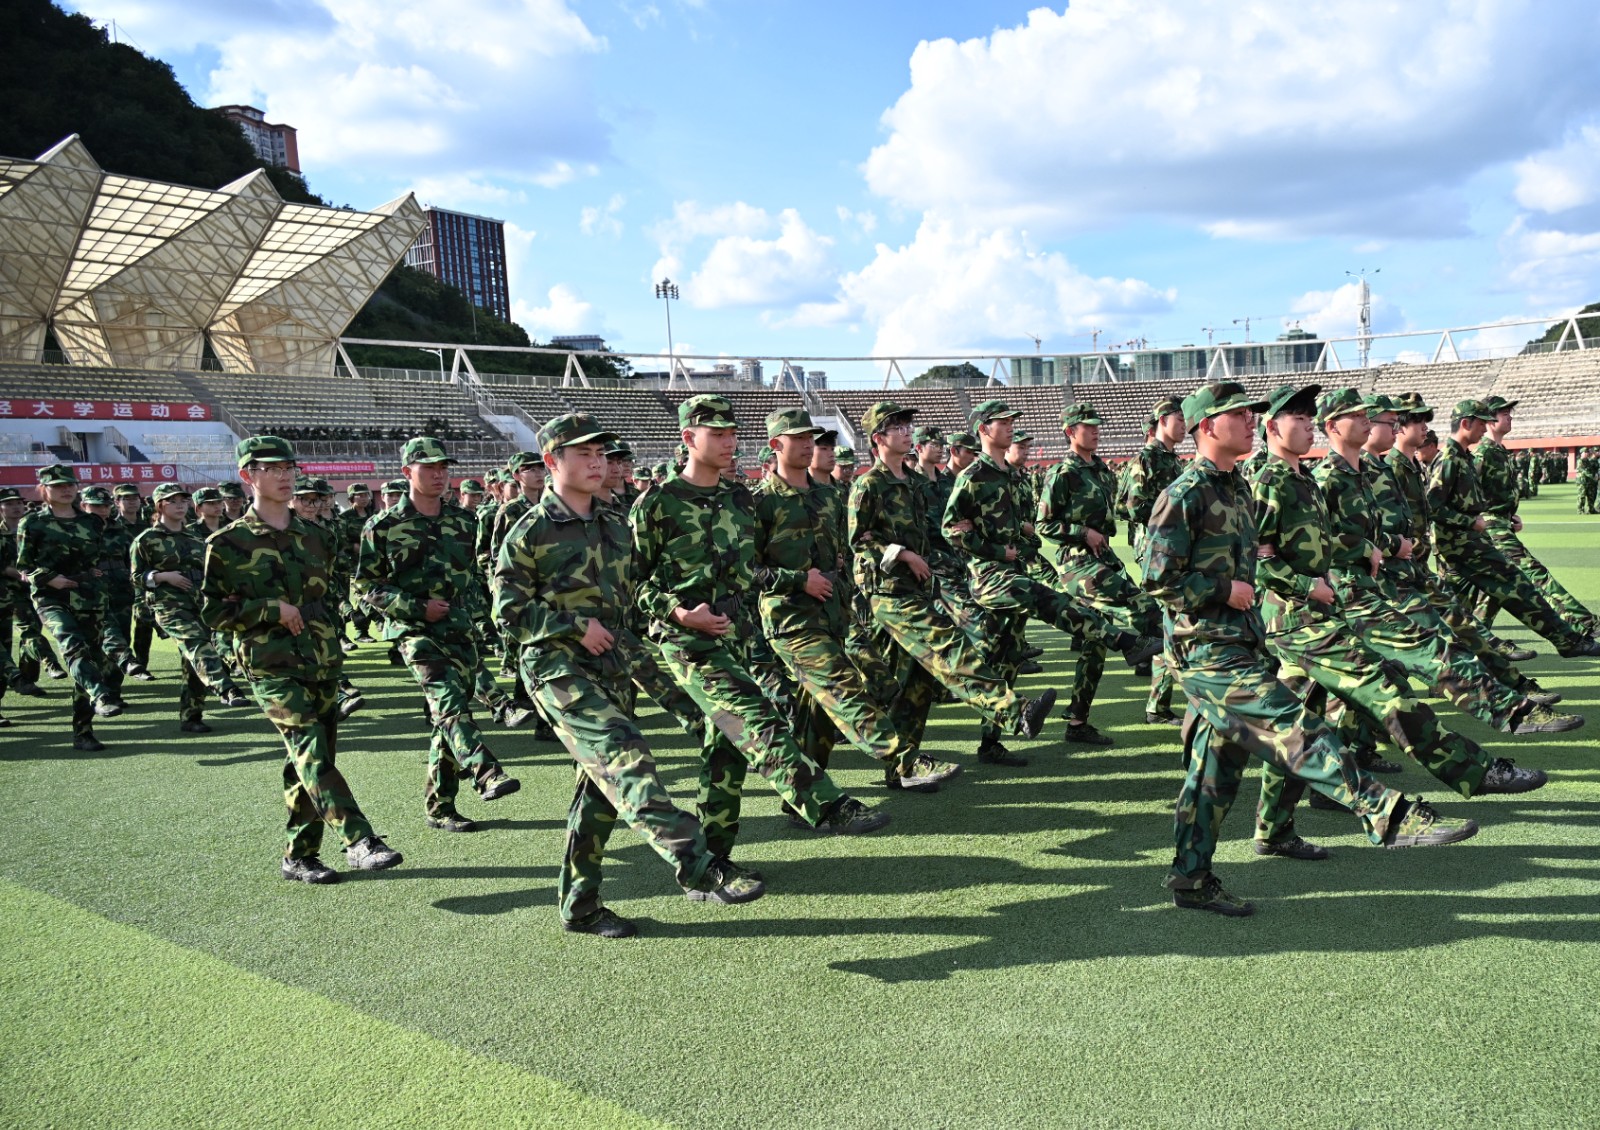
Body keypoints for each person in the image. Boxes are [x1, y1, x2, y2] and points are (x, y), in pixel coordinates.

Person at [1140, 382, 1478, 917]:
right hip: (1205, 654)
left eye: (1254, 413)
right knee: (1299, 729)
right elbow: (1156, 577)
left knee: (1212, 775)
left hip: (1242, 644)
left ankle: (1192, 879)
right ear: (1207, 427)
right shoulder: (1185, 493)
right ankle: (1388, 815)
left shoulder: (1238, 487)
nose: (1252, 421)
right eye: (1239, 415)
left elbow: (1258, 557)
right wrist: (1222, 591)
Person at [494, 413, 766, 937]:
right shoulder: (529, 530)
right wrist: (574, 627)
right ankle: (699, 864)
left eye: (601, 454)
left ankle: (580, 906)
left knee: (600, 795)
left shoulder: (616, 522)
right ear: (552, 462)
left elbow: (634, 602)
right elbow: (506, 612)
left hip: (614, 668)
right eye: (583, 455)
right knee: (626, 757)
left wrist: (673, 650)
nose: (597, 463)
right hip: (558, 670)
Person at [632, 394, 892, 873]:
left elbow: (752, 569)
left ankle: (711, 863)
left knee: (725, 751)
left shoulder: (737, 499)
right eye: (718, 434)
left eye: (733, 433)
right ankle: (826, 806)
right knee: (758, 719)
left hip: (738, 632)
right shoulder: (658, 503)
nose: (730, 442)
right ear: (689, 438)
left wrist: (788, 587)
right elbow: (633, 581)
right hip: (689, 641)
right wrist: (678, 613)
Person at [202, 435, 401, 883]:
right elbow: (214, 612)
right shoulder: (227, 543)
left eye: (289, 466)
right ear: (247, 475)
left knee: (307, 761)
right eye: (271, 468)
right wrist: (271, 609)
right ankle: (359, 839)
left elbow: (326, 595)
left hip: (321, 658)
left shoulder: (316, 534)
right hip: (269, 662)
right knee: (311, 750)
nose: (285, 474)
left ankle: (299, 856)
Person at [755, 406, 960, 793]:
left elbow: (845, 556)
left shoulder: (830, 497)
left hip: (835, 616)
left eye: (808, 437)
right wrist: (799, 580)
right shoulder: (762, 502)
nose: (806, 445)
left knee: (816, 715)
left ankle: (802, 794)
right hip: (792, 619)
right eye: (797, 439)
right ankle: (906, 760)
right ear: (775, 445)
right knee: (845, 687)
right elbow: (745, 570)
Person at [850, 400, 1059, 768]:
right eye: (895, 427)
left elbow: (935, 530)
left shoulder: (915, 483)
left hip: (921, 586)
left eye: (905, 425)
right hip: (889, 592)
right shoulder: (868, 486)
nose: (904, 432)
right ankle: (1015, 712)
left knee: (912, 685)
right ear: (878, 438)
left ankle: (904, 767)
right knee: (948, 646)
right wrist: (902, 554)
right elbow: (859, 540)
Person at [943, 399, 1160, 753]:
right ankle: (1126, 642)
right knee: (1046, 598)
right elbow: (951, 528)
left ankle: (990, 744)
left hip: (1013, 568)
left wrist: (1018, 541)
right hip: (989, 575)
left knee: (1006, 656)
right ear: (983, 430)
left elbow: (1019, 525)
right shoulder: (973, 476)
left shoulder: (1012, 476)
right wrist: (1000, 551)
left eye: (1013, 420)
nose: (1011, 426)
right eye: (1003, 422)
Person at [1428, 400, 1600, 658]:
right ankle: (1574, 635)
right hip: (1464, 541)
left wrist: (1507, 514)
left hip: (1474, 538)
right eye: (1484, 421)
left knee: (1477, 600)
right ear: (1466, 423)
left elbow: (1475, 497)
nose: (1486, 427)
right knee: (1519, 582)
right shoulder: (1456, 458)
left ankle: (1467, 659)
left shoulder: (1467, 455)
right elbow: (1433, 506)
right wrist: (1474, 521)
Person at [16, 464, 125, 751]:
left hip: (89, 596)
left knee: (89, 660)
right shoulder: (33, 523)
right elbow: (24, 566)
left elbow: (97, 557)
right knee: (73, 647)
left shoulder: (91, 522)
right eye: (57, 486)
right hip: (51, 597)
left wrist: (94, 574)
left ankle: (83, 732)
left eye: (70, 485)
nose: (65, 490)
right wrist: (51, 579)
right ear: (45, 490)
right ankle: (101, 694)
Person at [1472, 396, 1600, 638]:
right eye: (1504, 413)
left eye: (1509, 412)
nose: (1510, 416)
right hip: (1490, 529)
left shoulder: (1498, 451)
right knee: (1534, 574)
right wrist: (1483, 518)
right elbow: (1467, 494)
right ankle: (1586, 624)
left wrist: (1509, 514)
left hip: (1501, 523)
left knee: (1496, 588)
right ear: (1489, 420)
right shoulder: (1482, 455)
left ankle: (1471, 639)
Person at [130, 483, 249, 734]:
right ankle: (226, 688)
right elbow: (135, 576)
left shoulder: (195, 538)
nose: (180, 505)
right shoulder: (147, 539)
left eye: (183, 501)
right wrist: (162, 577)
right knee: (197, 644)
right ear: (160, 505)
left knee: (192, 660)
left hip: (199, 604)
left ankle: (191, 716)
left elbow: (211, 572)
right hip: (169, 606)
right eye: (173, 501)